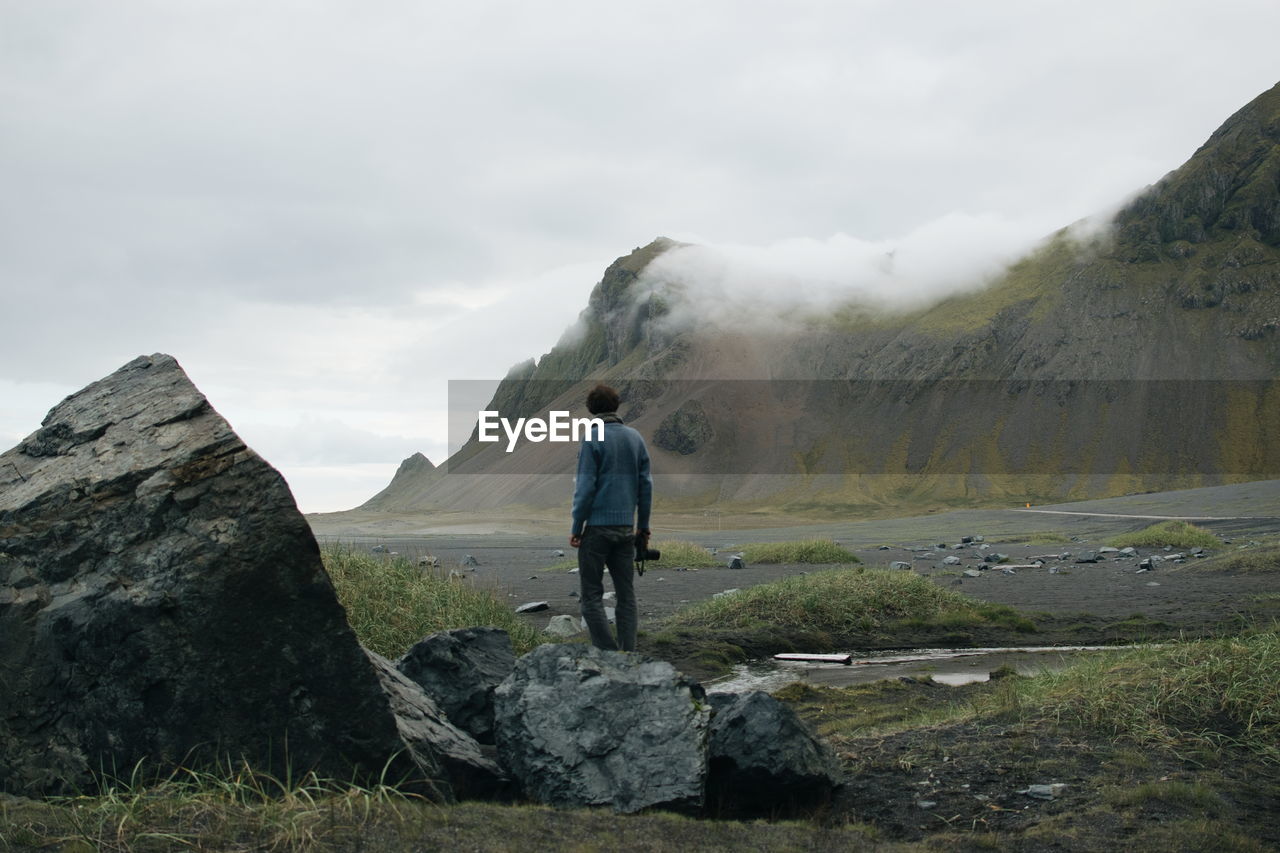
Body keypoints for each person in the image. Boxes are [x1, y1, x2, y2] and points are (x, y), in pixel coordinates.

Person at [569, 384, 652, 651]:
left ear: (591, 409)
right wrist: (644, 527)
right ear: (616, 405)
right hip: (626, 529)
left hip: (596, 529)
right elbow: (645, 486)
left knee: (591, 596)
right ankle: (628, 654)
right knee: (626, 595)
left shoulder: (592, 438)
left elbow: (584, 489)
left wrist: (576, 527)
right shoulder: (635, 438)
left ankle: (607, 654)